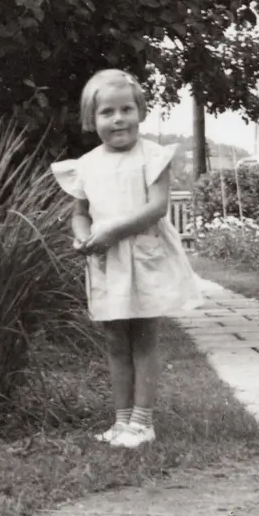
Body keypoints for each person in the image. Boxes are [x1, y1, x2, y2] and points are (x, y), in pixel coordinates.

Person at [51, 69, 203, 449]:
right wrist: (83, 235)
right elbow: (80, 212)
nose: (118, 119)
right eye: (107, 113)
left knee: (144, 338)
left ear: (140, 111)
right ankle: (121, 421)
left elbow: (156, 207)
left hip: (143, 254)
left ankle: (143, 421)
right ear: (92, 119)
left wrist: (113, 232)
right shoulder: (86, 164)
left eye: (126, 110)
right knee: (115, 339)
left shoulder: (151, 156)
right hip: (106, 260)